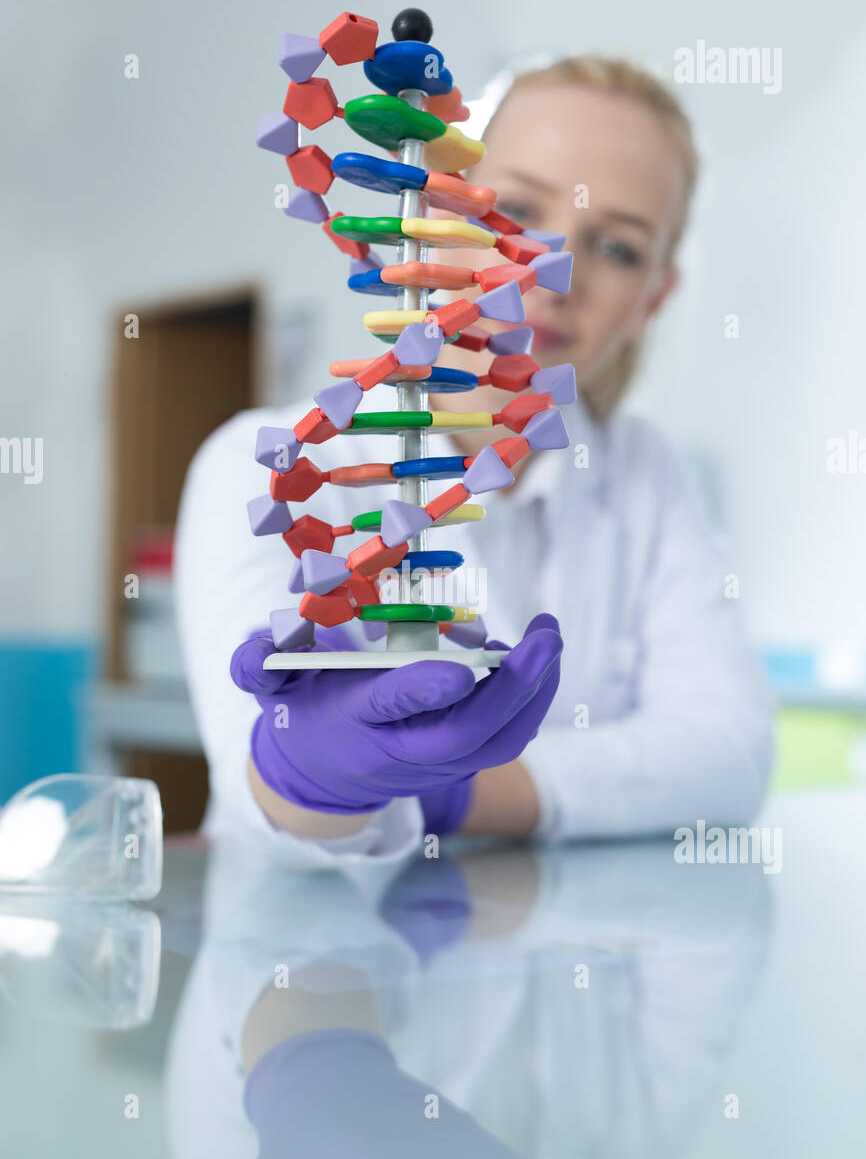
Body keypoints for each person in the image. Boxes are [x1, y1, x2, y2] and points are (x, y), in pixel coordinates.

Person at [175, 55, 773, 865]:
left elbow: (730, 757)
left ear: (655, 299)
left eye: (620, 251)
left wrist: (448, 792)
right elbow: (272, 819)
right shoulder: (261, 465)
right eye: (518, 209)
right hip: (303, 967)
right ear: (442, 216)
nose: (552, 274)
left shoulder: (648, 474)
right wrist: (311, 781)